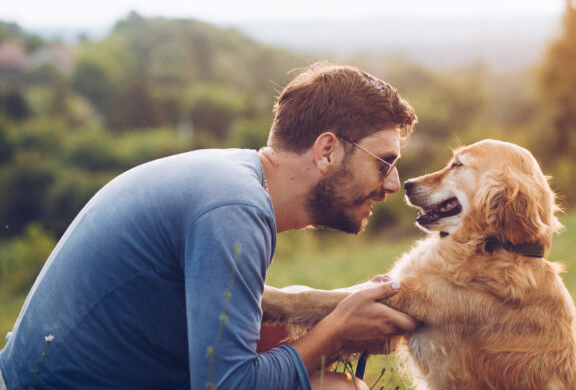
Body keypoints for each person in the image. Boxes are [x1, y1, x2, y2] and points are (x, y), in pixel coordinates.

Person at [0, 62, 420, 390]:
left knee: (274, 331)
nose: (392, 184)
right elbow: (229, 385)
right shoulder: (235, 209)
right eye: (384, 162)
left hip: (51, 374)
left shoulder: (233, 179)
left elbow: (245, 312)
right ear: (327, 150)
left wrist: (336, 304)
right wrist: (337, 329)